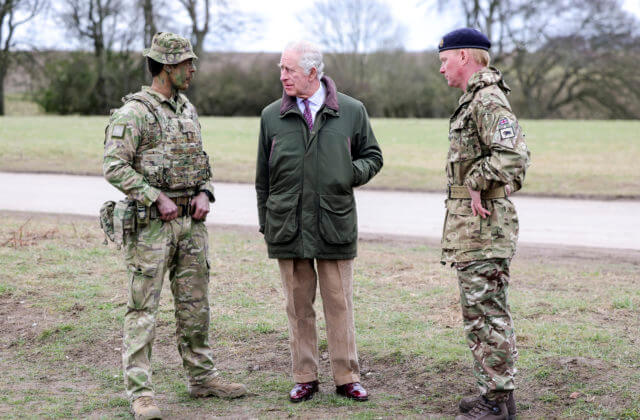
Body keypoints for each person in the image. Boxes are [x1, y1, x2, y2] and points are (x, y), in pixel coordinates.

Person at [103, 32, 246, 420]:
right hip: (151, 227)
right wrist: (154, 196)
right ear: (167, 67)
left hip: (192, 226)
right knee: (143, 309)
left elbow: (200, 161)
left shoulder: (188, 109)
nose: (193, 69)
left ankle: (202, 378)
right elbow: (113, 166)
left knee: (195, 306)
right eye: (187, 63)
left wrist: (206, 192)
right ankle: (141, 393)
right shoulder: (134, 112)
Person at [255, 41, 383, 403]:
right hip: (287, 226)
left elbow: (373, 157)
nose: (282, 76)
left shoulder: (352, 111)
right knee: (297, 307)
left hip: (334, 223)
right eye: (281, 69)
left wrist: (348, 172)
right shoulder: (270, 116)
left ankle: (346, 377)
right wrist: (267, 222)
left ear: (313, 72)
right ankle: (304, 376)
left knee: (339, 304)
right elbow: (262, 177)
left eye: (289, 70)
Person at [437, 28, 531, 420]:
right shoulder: (474, 99)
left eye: (444, 60)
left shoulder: (487, 99)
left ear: (463, 56)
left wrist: (477, 180)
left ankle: (495, 403)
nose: (440, 68)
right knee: (483, 314)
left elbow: (514, 157)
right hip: (474, 230)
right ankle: (498, 394)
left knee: (486, 315)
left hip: (484, 229)